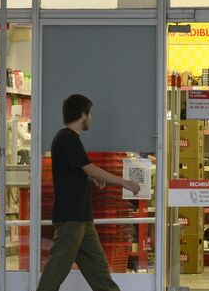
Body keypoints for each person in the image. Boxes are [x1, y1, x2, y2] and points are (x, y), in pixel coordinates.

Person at [36, 94, 141, 291]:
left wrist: (90, 177)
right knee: (55, 271)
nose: (91, 118)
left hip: (82, 219)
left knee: (99, 272)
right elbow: (88, 167)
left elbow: (78, 169)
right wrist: (124, 182)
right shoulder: (67, 138)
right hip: (71, 220)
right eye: (90, 113)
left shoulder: (69, 139)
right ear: (83, 115)